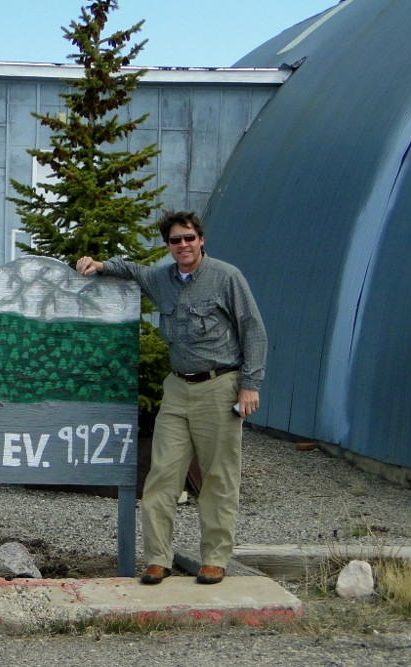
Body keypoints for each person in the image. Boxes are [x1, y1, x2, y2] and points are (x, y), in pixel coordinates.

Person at [76, 211, 267, 585]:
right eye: (176, 240)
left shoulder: (227, 277)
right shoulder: (161, 279)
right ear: (168, 245)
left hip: (219, 385)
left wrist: (251, 384)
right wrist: (99, 265)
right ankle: (158, 559)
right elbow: (131, 270)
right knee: (162, 475)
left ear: (201, 239)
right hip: (177, 389)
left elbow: (253, 330)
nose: (183, 245)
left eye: (189, 238)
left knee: (218, 476)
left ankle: (214, 558)